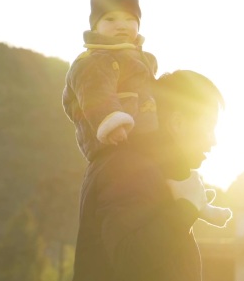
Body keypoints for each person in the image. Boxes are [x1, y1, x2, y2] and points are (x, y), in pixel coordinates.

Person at [62, 0, 231, 228]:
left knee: (170, 165)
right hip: (116, 137)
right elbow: (96, 95)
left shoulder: (139, 59)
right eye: (110, 18)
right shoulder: (94, 61)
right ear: (94, 26)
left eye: (130, 19)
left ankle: (197, 204)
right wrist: (112, 122)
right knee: (165, 163)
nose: (121, 25)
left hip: (142, 134)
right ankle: (192, 204)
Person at [72, 70, 228, 281]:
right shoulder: (127, 167)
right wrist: (185, 208)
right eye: (209, 126)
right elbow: (129, 259)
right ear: (178, 123)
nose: (214, 141)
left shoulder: (151, 170)